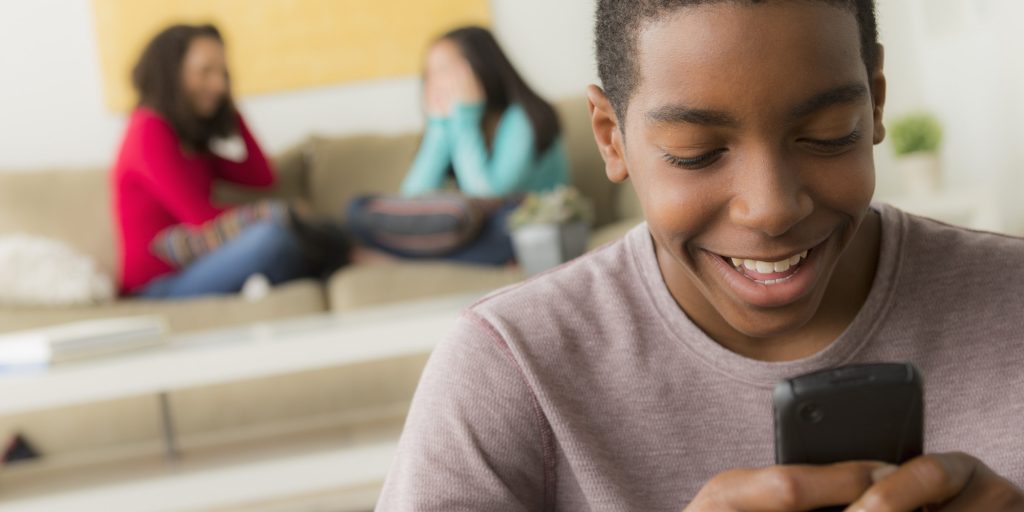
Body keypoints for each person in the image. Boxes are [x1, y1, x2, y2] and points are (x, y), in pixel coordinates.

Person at [376, 1, 1024, 510]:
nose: (769, 208)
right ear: (612, 138)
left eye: (828, 137)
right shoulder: (511, 367)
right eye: (695, 153)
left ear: (876, 100)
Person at [111, 24, 312, 298]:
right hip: (158, 287)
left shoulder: (191, 141)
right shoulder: (148, 130)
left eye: (223, 74)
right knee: (271, 239)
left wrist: (231, 110)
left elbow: (263, 176)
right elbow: (201, 219)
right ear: (171, 75)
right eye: (206, 72)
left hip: (201, 267)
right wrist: (269, 213)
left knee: (288, 245)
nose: (219, 84)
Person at [348, 26, 570, 266]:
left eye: (446, 70)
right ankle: (440, 258)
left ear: (481, 66)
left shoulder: (521, 119)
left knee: (507, 221)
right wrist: (439, 128)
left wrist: (465, 118)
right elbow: (412, 204)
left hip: (531, 228)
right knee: (358, 209)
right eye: (430, 74)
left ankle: (405, 259)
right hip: (475, 231)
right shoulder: (451, 127)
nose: (437, 83)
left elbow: (487, 196)